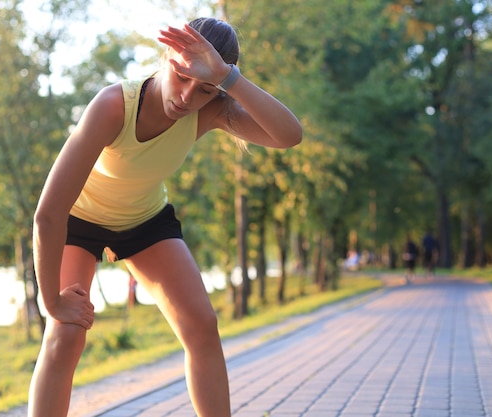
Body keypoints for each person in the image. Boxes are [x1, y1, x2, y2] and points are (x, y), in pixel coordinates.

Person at [27, 17, 302, 417]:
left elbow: (288, 136)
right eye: (181, 76)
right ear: (166, 57)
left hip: (146, 221)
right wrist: (51, 302)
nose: (189, 97)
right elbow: (48, 215)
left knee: (203, 327)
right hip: (77, 221)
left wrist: (228, 79)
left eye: (204, 88)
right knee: (66, 335)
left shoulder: (211, 110)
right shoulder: (112, 106)